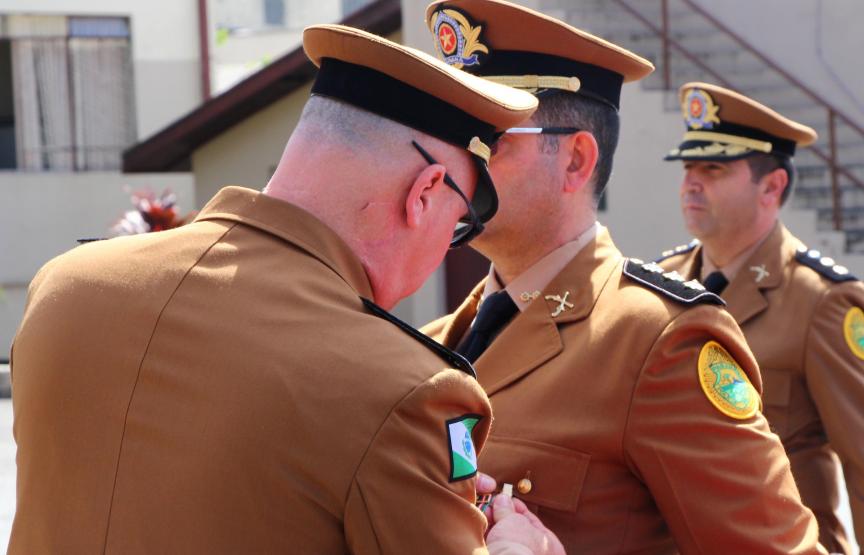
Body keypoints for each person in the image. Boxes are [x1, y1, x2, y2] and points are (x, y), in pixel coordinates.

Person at [8, 24, 566, 555]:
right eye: (459, 223)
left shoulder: (66, 285)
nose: (450, 244)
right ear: (423, 194)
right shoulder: (404, 389)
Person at [421, 1, 825, 553]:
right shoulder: (439, 339)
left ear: (575, 160)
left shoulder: (659, 342)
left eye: (489, 139)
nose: (455, 161)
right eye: (451, 135)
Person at [656, 81, 864, 554]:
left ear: (772, 186)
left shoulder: (820, 301)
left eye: (713, 168)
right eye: (687, 166)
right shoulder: (661, 283)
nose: (691, 182)